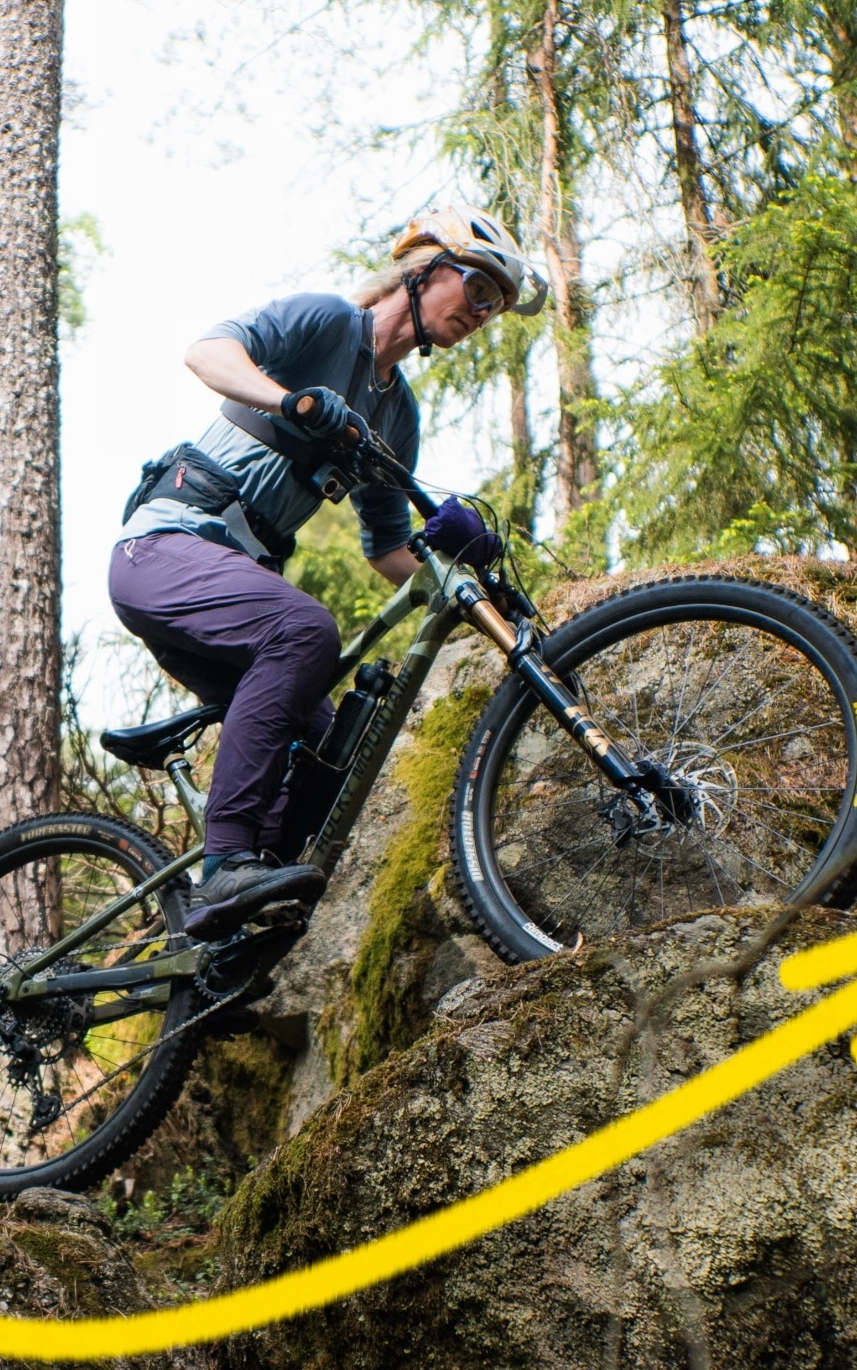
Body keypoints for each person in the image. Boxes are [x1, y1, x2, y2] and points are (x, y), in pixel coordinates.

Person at [110, 208, 547, 938]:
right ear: (423, 269)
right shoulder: (326, 322)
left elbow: (389, 551)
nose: (482, 313)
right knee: (307, 629)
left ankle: (221, 946)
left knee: (327, 756)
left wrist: (472, 588)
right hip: (163, 547)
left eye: (495, 306)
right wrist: (290, 400)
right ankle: (224, 870)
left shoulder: (396, 415)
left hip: (224, 584)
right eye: (477, 289)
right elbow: (206, 352)